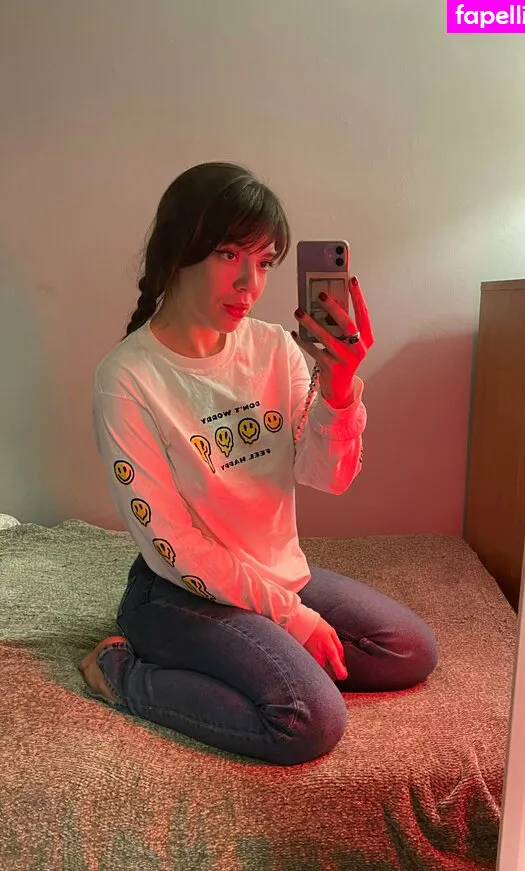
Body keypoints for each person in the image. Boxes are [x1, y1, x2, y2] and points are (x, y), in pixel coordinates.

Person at [80, 162, 438, 765]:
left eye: (266, 262)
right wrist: (291, 618)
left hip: (272, 574)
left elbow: (326, 476)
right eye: (229, 255)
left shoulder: (274, 347)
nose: (250, 283)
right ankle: (119, 672)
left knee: (409, 649)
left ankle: (251, 652)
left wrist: (339, 390)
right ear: (179, 250)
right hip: (176, 591)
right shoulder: (127, 378)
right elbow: (173, 545)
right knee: (309, 720)